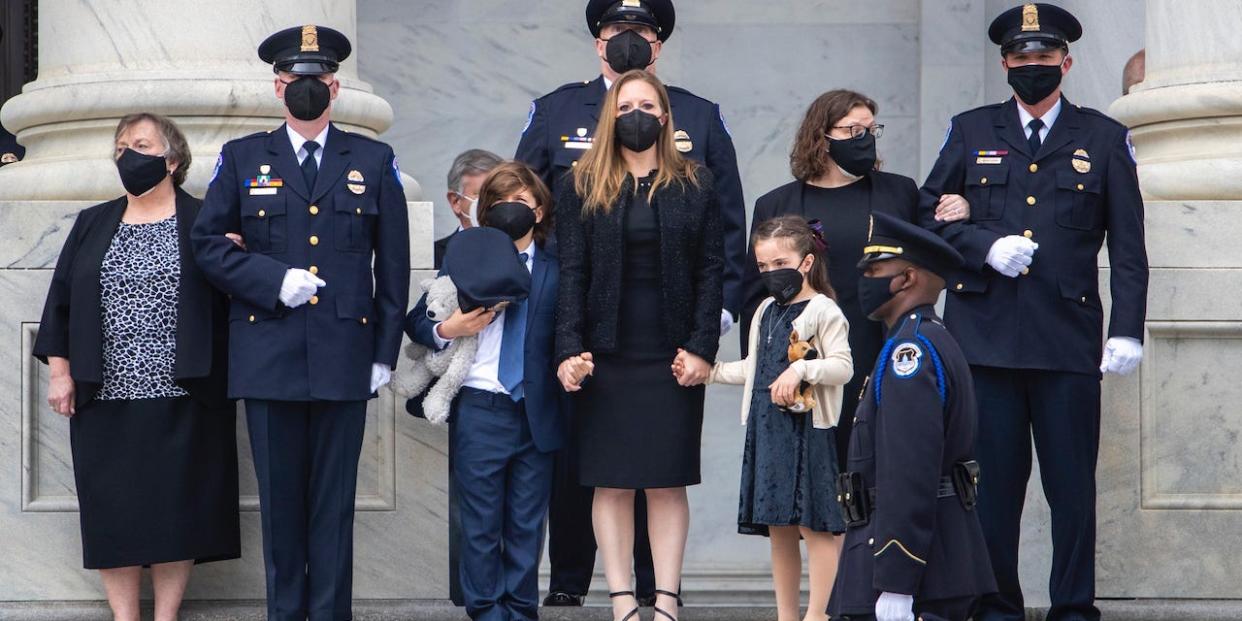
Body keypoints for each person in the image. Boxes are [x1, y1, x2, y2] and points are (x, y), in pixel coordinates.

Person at [919, 4, 1149, 621]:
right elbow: (924, 215)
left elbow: (1128, 244)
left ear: (1066, 62)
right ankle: (997, 608)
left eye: (1044, 56)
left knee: (1071, 491)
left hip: (1066, 340)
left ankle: (1073, 609)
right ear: (1004, 64)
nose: (1032, 66)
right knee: (992, 494)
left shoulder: (1102, 137)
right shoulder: (970, 131)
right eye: (1021, 57)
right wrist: (981, 245)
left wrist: (1127, 329)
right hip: (985, 340)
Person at [515, 0, 744, 606]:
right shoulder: (561, 120)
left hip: (670, 343)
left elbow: (722, 243)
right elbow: (538, 222)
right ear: (598, 41)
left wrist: (708, 332)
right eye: (617, 30)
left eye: (640, 31)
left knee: (665, 477)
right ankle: (587, 589)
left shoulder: (699, 129)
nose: (628, 40)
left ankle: (659, 594)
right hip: (598, 337)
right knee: (596, 476)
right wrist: (562, 338)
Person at [191, 25, 410, 621]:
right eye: (295, 81)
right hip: (268, 355)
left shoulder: (372, 158)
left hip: (345, 354)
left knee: (333, 506)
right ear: (278, 87)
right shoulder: (242, 158)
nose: (307, 90)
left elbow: (392, 267)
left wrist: (383, 352)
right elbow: (207, 244)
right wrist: (270, 279)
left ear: (334, 88)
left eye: (318, 81)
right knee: (281, 506)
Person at [32, 113, 239, 621]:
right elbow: (60, 303)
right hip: (105, 394)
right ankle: (126, 617)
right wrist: (61, 372)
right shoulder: (92, 222)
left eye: (141, 145)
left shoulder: (205, 220)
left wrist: (240, 258)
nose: (128, 155)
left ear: (171, 160)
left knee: (177, 511)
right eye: (121, 146)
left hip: (186, 393)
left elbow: (237, 296)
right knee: (114, 512)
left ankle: (165, 615)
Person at [555, 69, 722, 621]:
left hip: (671, 355)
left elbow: (711, 270)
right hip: (605, 356)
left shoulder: (695, 183)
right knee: (612, 482)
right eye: (626, 106)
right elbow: (571, 273)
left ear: (666, 116)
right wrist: (569, 351)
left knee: (667, 481)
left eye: (648, 105)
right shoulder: (580, 182)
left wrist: (701, 347)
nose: (637, 114)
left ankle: (667, 600)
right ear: (610, 116)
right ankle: (623, 600)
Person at [741, 90, 971, 472]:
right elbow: (755, 295)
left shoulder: (898, 192)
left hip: (876, 347)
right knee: (808, 479)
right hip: (805, 359)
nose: (864, 139)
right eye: (852, 131)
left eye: (871, 129)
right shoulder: (777, 204)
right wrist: (768, 367)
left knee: (875, 468)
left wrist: (964, 208)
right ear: (822, 136)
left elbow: (933, 254)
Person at [407, 162, 565, 621]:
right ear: (485, 212)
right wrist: (447, 327)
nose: (511, 211)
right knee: (478, 523)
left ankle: (520, 610)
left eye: (521, 203)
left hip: (536, 407)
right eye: (499, 203)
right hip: (481, 404)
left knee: (527, 523)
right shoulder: (464, 253)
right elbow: (417, 320)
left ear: (538, 210)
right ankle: (485, 612)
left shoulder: (557, 265)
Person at [827, 212, 996, 621]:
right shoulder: (925, 338)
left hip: (915, 573)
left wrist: (897, 582)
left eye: (875, 269)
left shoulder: (911, 353)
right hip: (932, 563)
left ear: (907, 279)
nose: (864, 279)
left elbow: (908, 472)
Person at [706, 215, 853, 621]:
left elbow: (842, 367)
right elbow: (756, 368)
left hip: (807, 430)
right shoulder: (766, 310)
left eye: (780, 263)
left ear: (806, 262)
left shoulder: (825, 311)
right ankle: (787, 615)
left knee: (816, 527)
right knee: (779, 529)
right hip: (768, 431)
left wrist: (802, 369)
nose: (771, 273)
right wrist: (712, 372)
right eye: (763, 266)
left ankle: (820, 614)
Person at [436, 149, 504, 269]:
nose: (492, 202)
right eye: (482, 194)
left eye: (499, 194)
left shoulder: (523, 252)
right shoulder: (434, 259)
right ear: (455, 201)